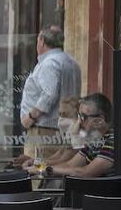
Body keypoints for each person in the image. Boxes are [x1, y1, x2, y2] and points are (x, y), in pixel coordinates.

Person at [19, 26, 82, 162]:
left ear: (41, 41)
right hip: (64, 128)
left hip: (44, 130)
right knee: (56, 173)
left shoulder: (49, 63)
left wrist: (31, 116)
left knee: (39, 175)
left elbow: (49, 94)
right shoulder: (72, 63)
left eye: (38, 40)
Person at [46, 93, 121, 179]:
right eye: (79, 116)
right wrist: (40, 169)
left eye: (83, 117)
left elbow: (87, 172)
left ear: (100, 120)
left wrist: (46, 170)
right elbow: (70, 164)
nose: (80, 122)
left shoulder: (117, 136)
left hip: (114, 193)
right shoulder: (97, 136)